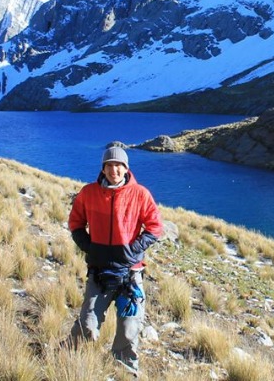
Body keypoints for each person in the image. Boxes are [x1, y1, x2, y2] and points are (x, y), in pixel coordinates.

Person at [67, 141, 163, 376]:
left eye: (118, 165)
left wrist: (134, 249)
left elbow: (155, 227)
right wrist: (89, 247)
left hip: (130, 274)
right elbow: (75, 223)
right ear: (103, 168)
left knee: (129, 327)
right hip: (99, 272)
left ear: (126, 168)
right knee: (87, 323)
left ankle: (125, 370)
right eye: (109, 165)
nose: (114, 170)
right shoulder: (88, 193)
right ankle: (68, 356)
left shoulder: (140, 194)